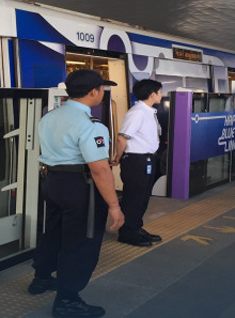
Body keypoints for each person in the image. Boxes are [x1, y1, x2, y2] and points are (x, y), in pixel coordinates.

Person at [28, 69, 124, 318]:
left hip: (53, 181)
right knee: (81, 242)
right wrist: (114, 206)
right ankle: (67, 299)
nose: (102, 93)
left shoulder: (50, 117)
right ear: (93, 92)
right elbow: (100, 170)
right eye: (102, 89)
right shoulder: (92, 126)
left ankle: (41, 278)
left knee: (54, 232)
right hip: (80, 187)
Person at [110, 79, 163, 247]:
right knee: (134, 198)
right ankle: (127, 232)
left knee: (143, 197)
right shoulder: (138, 112)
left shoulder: (148, 111)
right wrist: (119, 156)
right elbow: (122, 137)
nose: (162, 95)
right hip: (136, 160)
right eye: (160, 92)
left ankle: (136, 227)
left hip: (147, 159)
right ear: (152, 94)